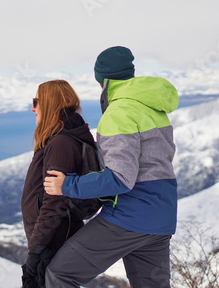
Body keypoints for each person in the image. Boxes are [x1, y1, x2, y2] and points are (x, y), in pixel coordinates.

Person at [43, 46, 179, 288]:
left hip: (129, 217)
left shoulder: (119, 113)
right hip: (162, 218)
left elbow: (120, 178)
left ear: (102, 80)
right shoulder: (152, 109)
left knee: (60, 274)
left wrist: (67, 185)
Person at [21, 80, 100, 288]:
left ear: (49, 103)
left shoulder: (61, 142)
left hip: (54, 240)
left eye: (36, 101)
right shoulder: (60, 138)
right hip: (52, 239)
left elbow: (55, 203)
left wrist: (36, 251)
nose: (33, 108)